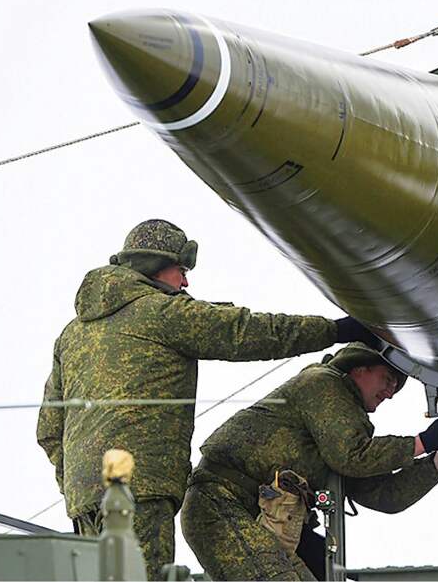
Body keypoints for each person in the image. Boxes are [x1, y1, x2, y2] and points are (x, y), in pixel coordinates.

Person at [36, 218, 378, 580]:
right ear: (155, 265)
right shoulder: (162, 312)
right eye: (181, 271)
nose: (185, 283)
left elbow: (49, 429)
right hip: (140, 487)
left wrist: (76, 479)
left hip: (83, 498)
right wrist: (335, 330)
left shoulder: (72, 335)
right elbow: (243, 332)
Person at [180, 342, 438, 580]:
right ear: (359, 368)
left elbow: (384, 494)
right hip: (221, 503)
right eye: (388, 379)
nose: (390, 393)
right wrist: (422, 442)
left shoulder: (346, 428)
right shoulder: (323, 384)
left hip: (265, 518)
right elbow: (351, 457)